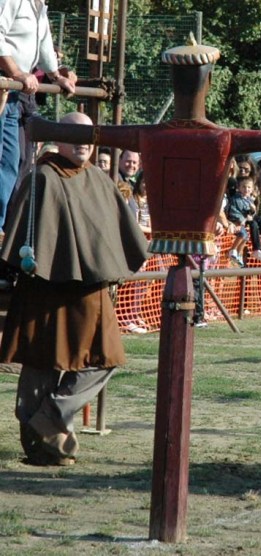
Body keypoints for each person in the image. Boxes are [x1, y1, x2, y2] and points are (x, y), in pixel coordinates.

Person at [0, 111, 149, 465]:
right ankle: (44, 447)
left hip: (90, 293)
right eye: (73, 135)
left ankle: (50, 417)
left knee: (105, 359)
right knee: (41, 365)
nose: (82, 143)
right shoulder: (42, 178)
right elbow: (23, 236)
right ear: (58, 138)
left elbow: (119, 234)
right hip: (44, 291)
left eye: (87, 136)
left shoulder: (99, 179)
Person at [0, 1, 76, 229]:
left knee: (13, 161)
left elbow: (44, 44)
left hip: (14, 93)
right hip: (5, 82)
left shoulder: (40, 5)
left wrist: (56, 76)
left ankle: (4, 228)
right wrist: (17, 72)